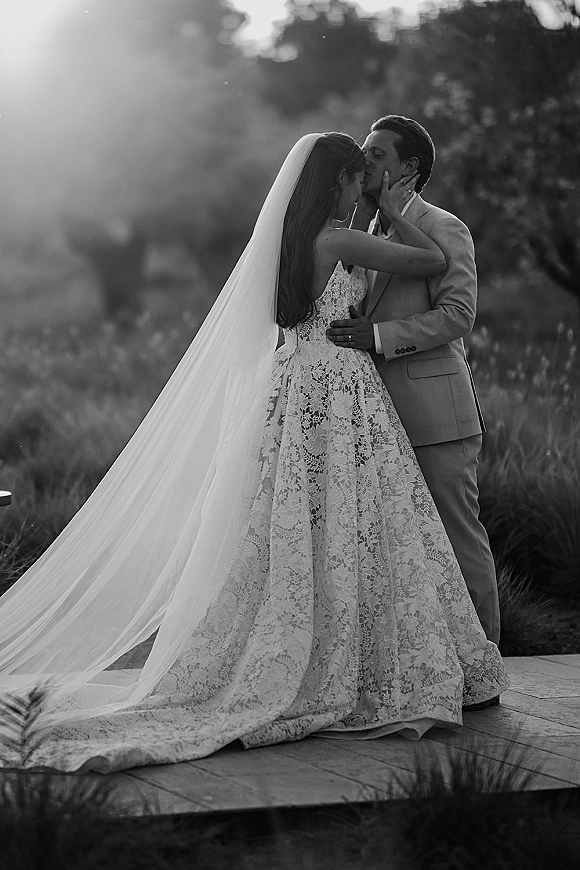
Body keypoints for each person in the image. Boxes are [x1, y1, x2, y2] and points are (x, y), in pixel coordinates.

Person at [0, 133, 507, 774]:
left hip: (304, 387)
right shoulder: (340, 237)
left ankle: (357, 653)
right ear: (339, 183)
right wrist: (394, 211)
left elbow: (445, 301)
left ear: (406, 165)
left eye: (380, 163)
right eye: (359, 172)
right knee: (350, 526)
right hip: (338, 388)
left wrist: (381, 220)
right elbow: (429, 261)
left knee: (314, 527)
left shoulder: (293, 240)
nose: (368, 179)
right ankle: (348, 662)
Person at [327, 116, 501, 657]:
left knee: (456, 537)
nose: (366, 158)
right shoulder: (365, 231)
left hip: (435, 413)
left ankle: (483, 664)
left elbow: (457, 315)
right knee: (397, 546)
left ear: (409, 169)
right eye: (365, 150)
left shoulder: (444, 227)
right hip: (374, 417)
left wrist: (376, 335)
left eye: (378, 153)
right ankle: (426, 664)